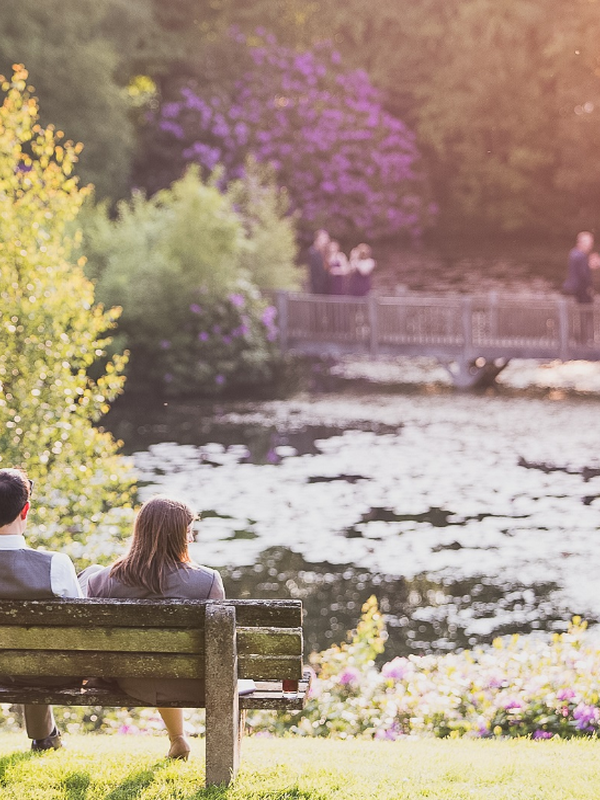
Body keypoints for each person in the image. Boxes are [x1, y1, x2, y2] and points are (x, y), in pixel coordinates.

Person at [85, 495, 225, 761]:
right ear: (174, 536)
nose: (191, 539)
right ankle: (179, 740)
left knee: (154, 664)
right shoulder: (207, 581)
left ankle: (177, 739)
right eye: (188, 532)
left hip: (129, 680)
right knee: (167, 665)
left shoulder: (101, 581)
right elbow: (218, 650)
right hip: (189, 681)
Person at [0, 468, 83, 751]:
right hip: (47, 669)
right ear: (26, 510)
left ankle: (44, 735)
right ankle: (44, 737)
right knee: (35, 652)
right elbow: (81, 628)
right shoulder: (55, 565)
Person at [562, 231, 599, 343]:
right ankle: (584, 340)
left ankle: (581, 338)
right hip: (580, 290)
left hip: (572, 288)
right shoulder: (580, 256)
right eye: (588, 242)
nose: (590, 245)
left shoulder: (574, 253)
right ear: (581, 242)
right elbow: (584, 275)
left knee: (580, 314)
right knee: (585, 313)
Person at [307, 229, 330, 294]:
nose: (327, 240)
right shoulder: (313, 252)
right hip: (317, 289)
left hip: (324, 288)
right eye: (325, 238)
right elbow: (314, 274)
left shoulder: (324, 253)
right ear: (318, 239)